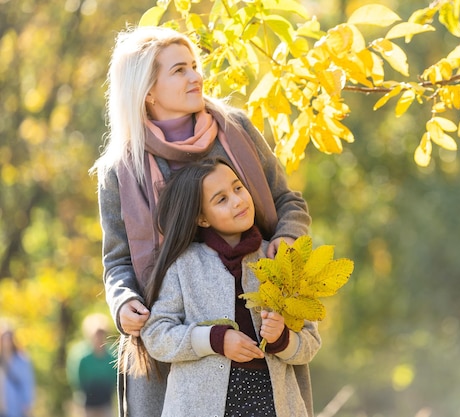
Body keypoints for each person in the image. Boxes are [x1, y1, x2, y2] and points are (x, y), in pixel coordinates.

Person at [89, 25, 312, 416]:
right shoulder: (120, 170)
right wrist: (124, 304)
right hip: (171, 339)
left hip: (260, 322)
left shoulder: (236, 130)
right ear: (147, 90)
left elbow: (288, 202)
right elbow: (118, 261)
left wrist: (289, 238)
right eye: (180, 70)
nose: (197, 76)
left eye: (194, 65)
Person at [132, 159, 321, 416]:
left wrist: (282, 339)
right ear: (202, 218)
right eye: (221, 199)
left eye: (238, 188)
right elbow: (156, 335)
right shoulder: (184, 265)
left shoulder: (278, 259)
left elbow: (310, 341)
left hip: (273, 406)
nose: (237, 201)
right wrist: (214, 339)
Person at [66, 313, 117, 417]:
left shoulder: (111, 356)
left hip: (106, 401)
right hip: (87, 403)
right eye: (96, 334)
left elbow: (115, 378)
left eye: (102, 334)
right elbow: (76, 380)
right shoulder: (82, 357)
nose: (99, 337)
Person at [0, 324, 35, 417]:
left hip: (15, 405)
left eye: (8, 339)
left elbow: (27, 382)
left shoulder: (21, 360)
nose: (6, 342)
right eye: (4, 339)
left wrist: (27, 403)